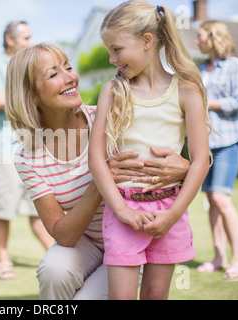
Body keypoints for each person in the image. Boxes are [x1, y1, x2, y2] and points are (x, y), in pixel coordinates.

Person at [5, 42, 190, 299]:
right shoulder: (27, 157)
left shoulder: (109, 117)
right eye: (54, 74)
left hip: (131, 240)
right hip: (88, 242)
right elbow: (63, 235)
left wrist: (185, 168)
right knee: (53, 270)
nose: (70, 77)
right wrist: (102, 177)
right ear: (31, 95)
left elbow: (160, 158)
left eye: (68, 67)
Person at [88, 0, 211, 299]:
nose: (111, 58)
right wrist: (121, 210)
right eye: (109, 50)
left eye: (117, 49)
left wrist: (173, 215)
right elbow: (96, 158)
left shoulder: (187, 91)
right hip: (124, 212)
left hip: (170, 211)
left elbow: (200, 161)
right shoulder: (113, 91)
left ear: (147, 41)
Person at [0, 20, 53, 280]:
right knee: (4, 207)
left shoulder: (28, 66)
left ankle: (57, 257)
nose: (30, 43)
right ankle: (3, 260)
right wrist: (34, 94)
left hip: (29, 146)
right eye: (25, 38)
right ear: (10, 40)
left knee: (38, 207)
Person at [195, 20, 238, 280]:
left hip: (228, 140)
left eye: (201, 36)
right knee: (210, 201)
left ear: (214, 37)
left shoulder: (235, 65)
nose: (197, 41)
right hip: (205, 145)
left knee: (220, 198)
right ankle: (219, 258)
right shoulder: (202, 68)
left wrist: (206, 102)